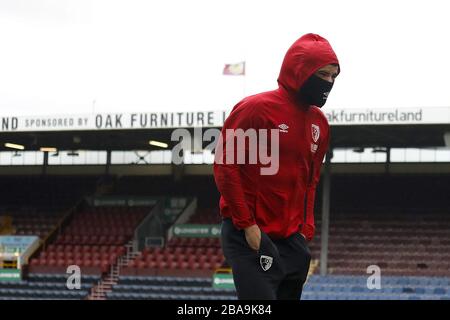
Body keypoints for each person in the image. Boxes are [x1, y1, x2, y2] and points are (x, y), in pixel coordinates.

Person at [213, 33, 340, 300]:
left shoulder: (320, 124)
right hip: (250, 233)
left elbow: (311, 180)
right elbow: (227, 166)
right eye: (324, 74)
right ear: (301, 71)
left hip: (291, 237)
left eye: (334, 77)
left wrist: (305, 228)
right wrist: (247, 225)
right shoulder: (255, 109)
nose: (329, 83)